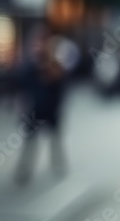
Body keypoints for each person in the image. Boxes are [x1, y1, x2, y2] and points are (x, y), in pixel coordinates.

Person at [14, 25, 76, 185]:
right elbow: (21, 84)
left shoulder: (57, 66)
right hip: (35, 110)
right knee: (30, 143)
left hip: (51, 110)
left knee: (55, 141)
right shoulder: (31, 67)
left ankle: (58, 166)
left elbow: (62, 89)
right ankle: (24, 170)